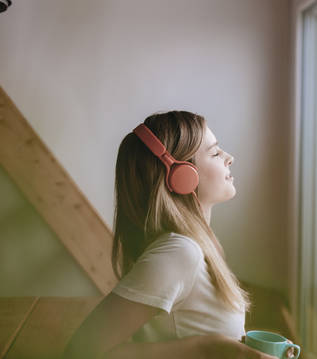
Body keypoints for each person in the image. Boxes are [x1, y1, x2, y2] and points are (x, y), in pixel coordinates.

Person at [63, 111, 277, 359]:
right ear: (182, 176)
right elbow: (80, 352)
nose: (230, 158)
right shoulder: (181, 253)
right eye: (216, 153)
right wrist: (206, 348)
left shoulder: (202, 245)